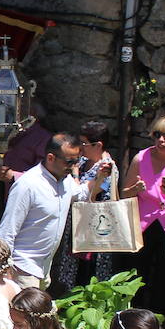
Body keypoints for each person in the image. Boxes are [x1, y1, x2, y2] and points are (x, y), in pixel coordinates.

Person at [0, 134, 108, 288]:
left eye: (77, 160)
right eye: (70, 161)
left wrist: (99, 178)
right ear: (50, 158)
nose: (74, 166)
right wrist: (4, 270)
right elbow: (7, 231)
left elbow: (79, 195)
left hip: (43, 268)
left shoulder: (65, 179)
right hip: (21, 268)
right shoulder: (28, 185)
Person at [120, 114, 165, 315]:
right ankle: (134, 320)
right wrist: (135, 189)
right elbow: (123, 194)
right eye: (157, 135)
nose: (161, 140)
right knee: (136, 276)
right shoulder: (140, 158)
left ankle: (157, 323)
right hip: (142, 225)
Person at [52, 120, 118, 293]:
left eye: (84, 143)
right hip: (76, 226)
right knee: (72, 272)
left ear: (98, 145)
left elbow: (88, 195)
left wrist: (73, 174)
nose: (80, 147)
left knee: (86, 274)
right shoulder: (82, 161)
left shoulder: (107, 168)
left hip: (93, 229)